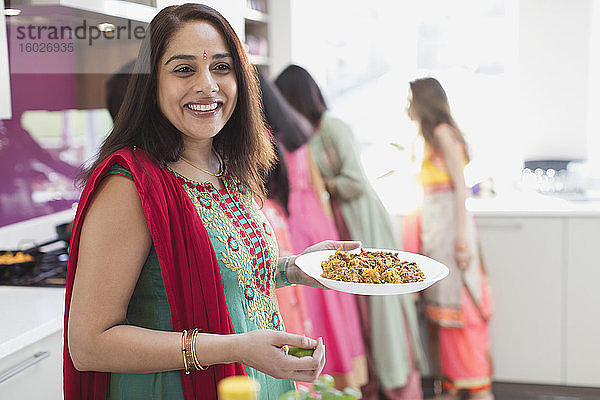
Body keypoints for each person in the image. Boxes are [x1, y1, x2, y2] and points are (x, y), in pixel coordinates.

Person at [64, 4, 361, 399]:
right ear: (152, 84)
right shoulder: (131, 185)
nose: (207, 85)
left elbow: (215, 274)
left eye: (221, 67)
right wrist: (235, 348)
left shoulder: (226, 168)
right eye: (184, 69)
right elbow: (88, 345)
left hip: (249, 379)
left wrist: (294, 268)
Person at [276, 64, 428, 400]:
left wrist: (323, 186)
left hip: (361, 220)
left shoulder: (331, 128)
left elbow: (355, 182)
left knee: (382, 311)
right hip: (337, 219)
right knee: (358, 315)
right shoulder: (300, 133)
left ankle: (400, 387)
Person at [407, 77, 493, 400]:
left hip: (450, 233)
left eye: (410, 99)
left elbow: (460, 188)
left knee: (460, 307)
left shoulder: (442, 133)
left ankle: (470, 386)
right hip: (437, 233)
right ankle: (451, 388)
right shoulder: (428, 139)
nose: (407, 106)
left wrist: (460, 241)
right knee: (443, 315)